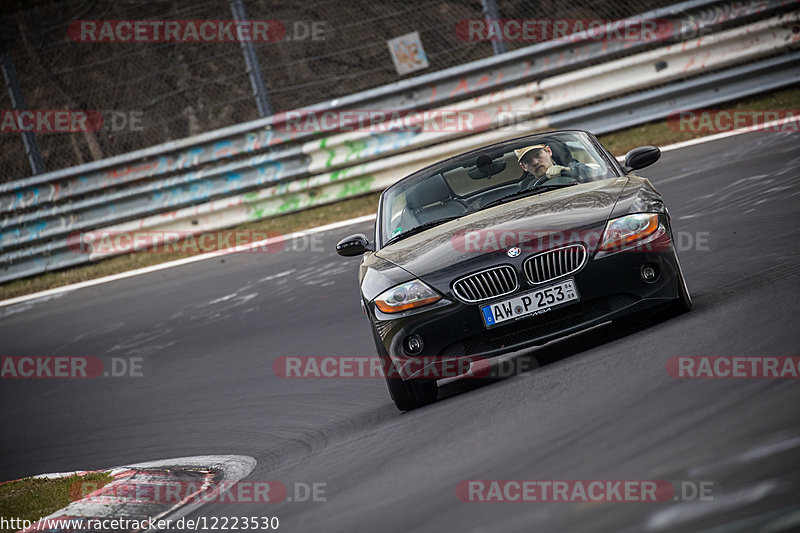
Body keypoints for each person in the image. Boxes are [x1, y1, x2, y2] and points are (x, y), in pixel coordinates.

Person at [514, 143, 592, 186]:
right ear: (524, 167)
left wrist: (570, 171)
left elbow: (597, 175)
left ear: (549, 151)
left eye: (537, 155)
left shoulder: (575, 168)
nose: (535, 162)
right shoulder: (528, 189)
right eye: (527, 161)